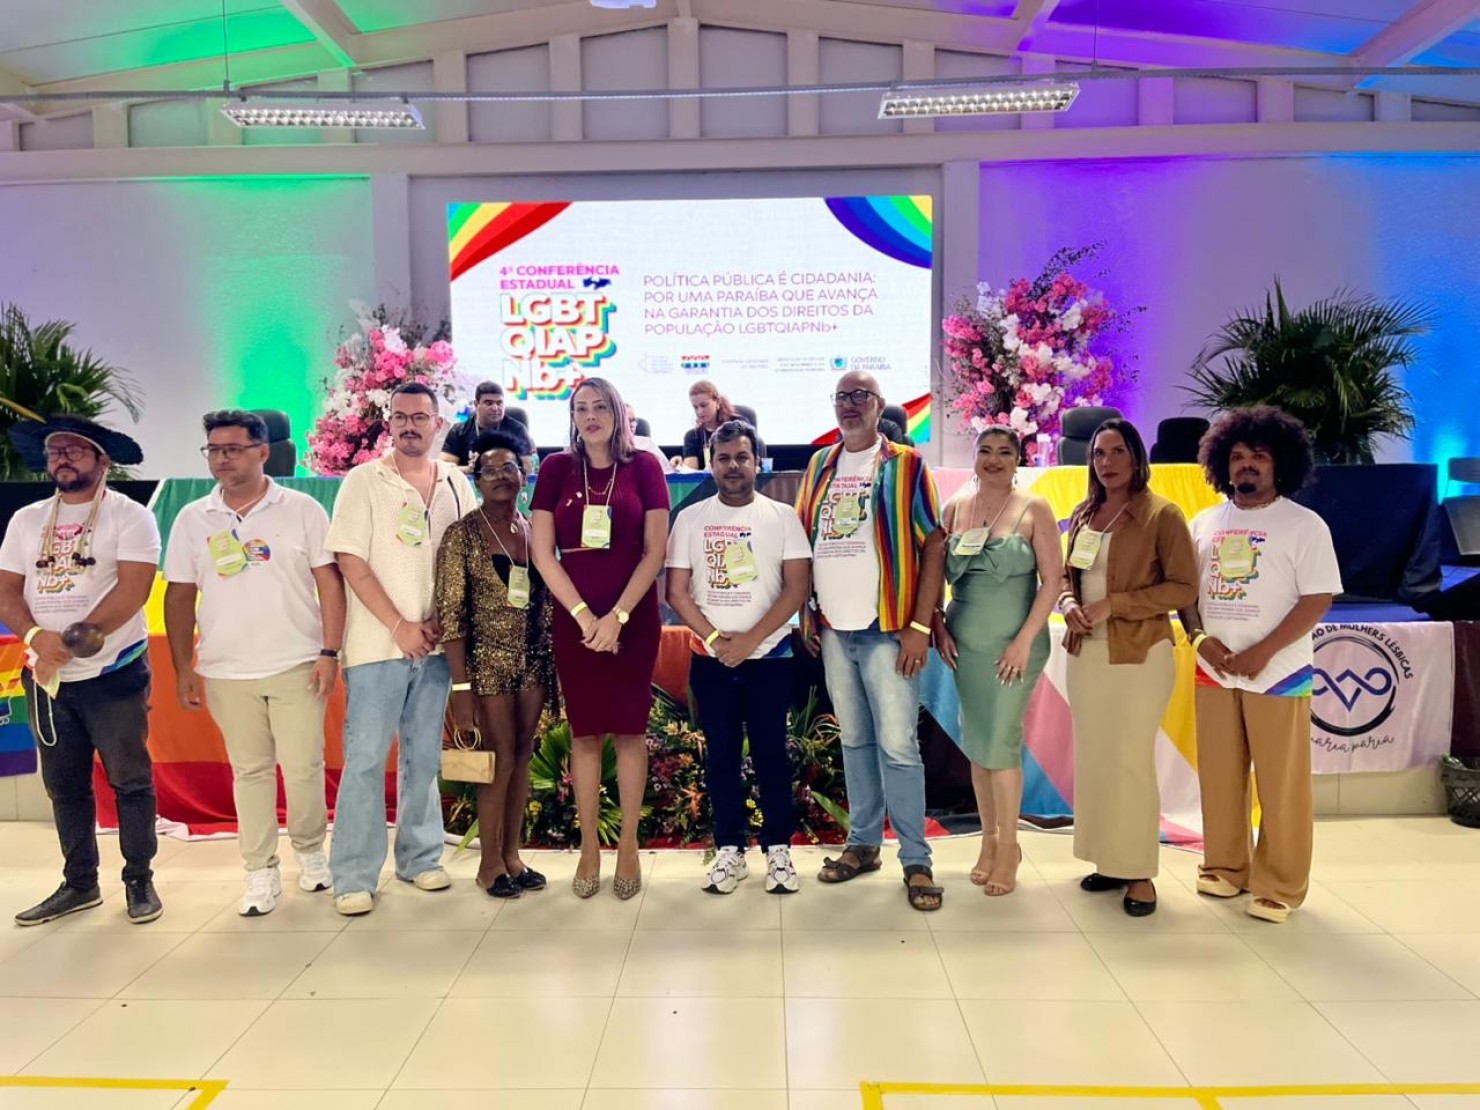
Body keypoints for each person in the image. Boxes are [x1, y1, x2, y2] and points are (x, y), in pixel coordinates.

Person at [163, 410, 346, 916]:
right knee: (250, 771)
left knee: (304, 767)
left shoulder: (302, 509)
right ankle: (259, 869)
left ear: (263, 452)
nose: (222, 460)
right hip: (226, 669)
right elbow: (178, 596)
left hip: (297, 662)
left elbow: (330, 584)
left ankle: (310, 850)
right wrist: (183, 667)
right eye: (214, 451)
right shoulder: (193, 518)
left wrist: (329, 652)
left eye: (233, 449)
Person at [1179, 406, 1340, 925]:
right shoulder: (1204, 523)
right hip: (1214, 670)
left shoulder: (1304, 525)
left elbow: (1317, 600)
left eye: (1259, 456)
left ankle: (1281, 884)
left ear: (1281, 463)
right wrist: (1200, 640)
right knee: (1221, 779)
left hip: (1279, 673)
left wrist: (1263, 651)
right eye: (1237, 456)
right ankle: (1226, 866)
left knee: (1281, 785)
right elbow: (1186, 595)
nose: (1246, 464)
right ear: (1221, 464)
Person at [0, 416, 163, 925]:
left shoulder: (130, 517)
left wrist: (74, 640)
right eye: (55, 451)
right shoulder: (26, 520)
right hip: (46, 676)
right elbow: (6, 590)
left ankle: (139, 879)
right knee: (63, 784)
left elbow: (134, 590)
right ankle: (79, 883)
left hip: (114, 671)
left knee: (129, 779)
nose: (62, 458)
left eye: (74, 449)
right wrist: (35, 638)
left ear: (102, 460)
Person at [795, 372, 947, 911]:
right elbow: (804, 544)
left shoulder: (906, 464)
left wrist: (921, 626)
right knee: (855, 740)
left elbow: (934, 543)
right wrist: (807, 615)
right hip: (835, 630)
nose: (850, 404)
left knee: (899, 745)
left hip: (890, 629)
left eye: (861, 396)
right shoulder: (820, 465)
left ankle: (916, 860)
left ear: (880, 406)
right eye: (842, 396)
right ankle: (863, 845)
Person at [325, 381, 470, 916]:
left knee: (423, 757)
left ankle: (420, 857)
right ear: (390, 423)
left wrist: (441, 623)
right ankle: (354, 875)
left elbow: (465, 557)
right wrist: (398, 625)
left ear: (438, 424)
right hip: (376, 645)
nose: (410, 426)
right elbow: (350, 560)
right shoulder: (365, 481)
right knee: (366, 759)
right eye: (401, 417)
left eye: (420, 417)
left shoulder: (456, 482)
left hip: (435, 647)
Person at [530, 377, 669, 899]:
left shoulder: (645, 467)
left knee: (631, 732)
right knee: (585, 735)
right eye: (581, 409)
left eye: (600, 408)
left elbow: (655, 551)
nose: (590, 417)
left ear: (618, 414)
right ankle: (590, 846)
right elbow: (543, 553)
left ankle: (628, 845)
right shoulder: (556, 469)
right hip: (575, 622)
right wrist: (586, 616)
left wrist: (618, 618)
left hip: (633, 620)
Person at [666, 420, 811, 894]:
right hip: (711, 660)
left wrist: (750, 641)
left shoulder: (782, 516)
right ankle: (730, 849)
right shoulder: (690, 518)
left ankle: (778, 848)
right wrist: (716, 640)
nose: (733, 466)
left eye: (741, 457)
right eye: (724, 458)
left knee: (771, 753)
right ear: (712, 464)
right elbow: (677, 592)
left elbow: (796, 589)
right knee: (722, 756)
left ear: (757, 463)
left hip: (770, 658)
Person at [1059, 419, 1198, 918]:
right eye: (1099, 453)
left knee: (1131, 761)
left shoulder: (1163, 515)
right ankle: (1111, 860)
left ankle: (1139, 871)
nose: (1107, 462)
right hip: (1086, 656)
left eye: (1118, 451)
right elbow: (1065, 577)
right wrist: (1068, 603)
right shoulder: (1085, 513)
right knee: (1098, 760)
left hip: (1139, 655)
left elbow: (1183, 587)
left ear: (1137, 457)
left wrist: (1114, 605)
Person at [932, 426, 1060, 897]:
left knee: (1001, 744)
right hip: (965, 646)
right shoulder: (955, 508)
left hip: (1014, 647)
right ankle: (988, 841)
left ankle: (1010, 846)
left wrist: (1024, 641)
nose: (993, 459)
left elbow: (1053, 581)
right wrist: (938, 624)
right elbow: (934, 576)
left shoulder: (1035, 507)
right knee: (978, 744)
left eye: (1004, 452)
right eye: (985, 450)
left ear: (1017, 459)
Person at [435, 430, 557, 898]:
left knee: (522, 757)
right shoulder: (462, 534)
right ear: (477, 480)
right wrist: (461, 689)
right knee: (499, 759)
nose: (501, 477)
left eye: (510, 468)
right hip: (486, 665)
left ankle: (512, 856)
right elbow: (451, 614)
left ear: (524, 476)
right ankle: (488, 865)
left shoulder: (533, 530)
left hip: (534, 661)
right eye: (490, 470)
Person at [439, 381, 535, 469]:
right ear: (476, 405)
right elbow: (444, 468)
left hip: (506, 480)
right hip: (470, 480)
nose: (495, 408)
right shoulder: (458, 431)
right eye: (489, 403)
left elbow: (528, 469)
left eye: (499, 403)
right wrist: (468, 469)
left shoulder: (517, 429)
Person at [673, 380, 738, 471]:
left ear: (717, 402)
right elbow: (690, 472)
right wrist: (678, 466)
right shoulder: (692, 436)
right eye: (695, 407)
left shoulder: (737, 426)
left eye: (704, 405)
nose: (699, 412)